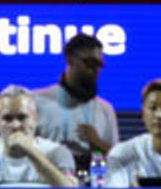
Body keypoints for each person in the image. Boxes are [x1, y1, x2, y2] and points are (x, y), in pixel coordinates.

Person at [0, 85, 77, 187]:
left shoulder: (56, 152)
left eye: (22, 117)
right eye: (7, 118)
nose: (15, 125)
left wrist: (32, 152)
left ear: (35, 120)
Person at [33, 33, 119, 165]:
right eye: (90, 63)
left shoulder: (105, 109)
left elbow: (118, 159)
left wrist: (98, 144)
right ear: (70, 60)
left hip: (94, 180)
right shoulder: (37, 102)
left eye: (99, 65)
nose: (95, 70)